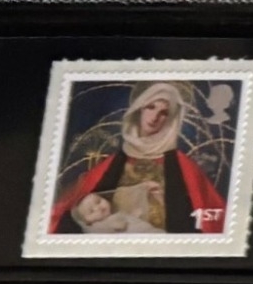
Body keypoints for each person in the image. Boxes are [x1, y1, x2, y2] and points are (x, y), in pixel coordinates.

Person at [49, 81, 226, 237]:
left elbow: (210, 217)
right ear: (138, 109)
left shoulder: (183, 165)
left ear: (170, 119)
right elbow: (75, 209)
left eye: (164, 112)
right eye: (150, 107)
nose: (155, 117)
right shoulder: (113, 162)